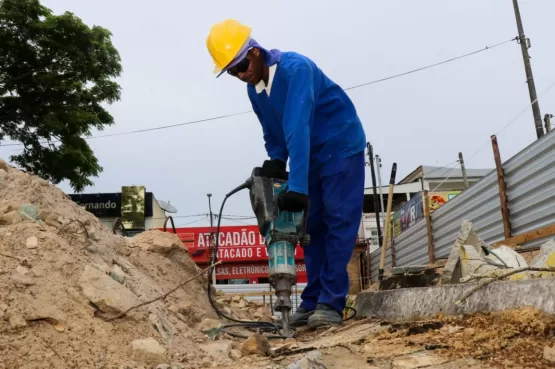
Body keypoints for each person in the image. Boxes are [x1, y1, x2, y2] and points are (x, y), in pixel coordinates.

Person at [206, 19, 366, 328]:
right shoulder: (255, 91)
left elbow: (297, 127)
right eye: (232, 71)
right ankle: (311, 301)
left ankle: (332, 303)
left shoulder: (296, 69)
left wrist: (297, 185)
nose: (241, 74)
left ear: (255, 52)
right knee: (310, 229)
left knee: (338, 222)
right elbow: (274, 133)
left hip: (341, 147)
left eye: (241, 64)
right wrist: (277, 160)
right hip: (312, 156)